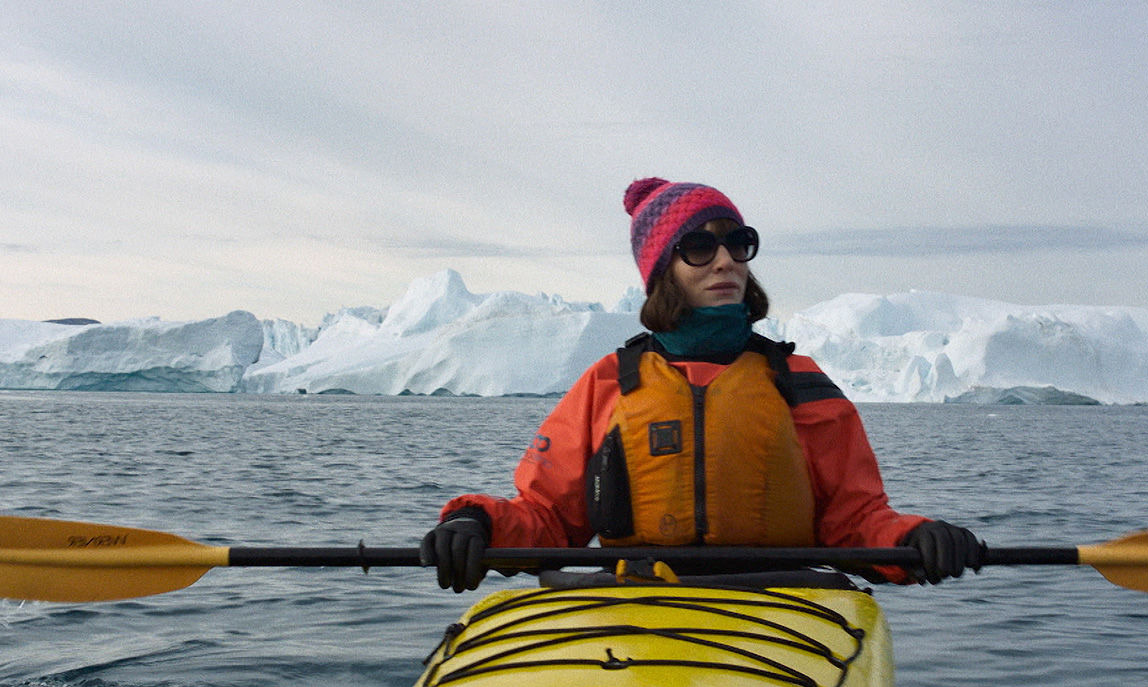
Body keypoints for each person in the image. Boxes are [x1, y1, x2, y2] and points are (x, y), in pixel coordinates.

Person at [420, 177, 983, 592]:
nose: (725, 262)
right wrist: (476, 520)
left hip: (781, 603)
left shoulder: (799, 382)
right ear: (664, 269)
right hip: (636, 602)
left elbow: (856, 521)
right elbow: (545, 520)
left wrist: (913, 537)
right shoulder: (610, 383)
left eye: (737, 244)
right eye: (699, 247)